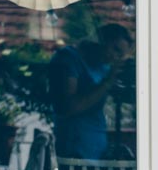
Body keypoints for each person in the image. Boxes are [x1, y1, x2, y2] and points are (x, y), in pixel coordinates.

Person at [48, 24, 133, 160]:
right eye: (115, 49)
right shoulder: (68, 58)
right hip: (73, 150)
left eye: (120, 55)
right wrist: (107, 82)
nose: (114, 57)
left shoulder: (103, 66)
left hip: (97, 148)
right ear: (102, 39)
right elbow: (67, 107)